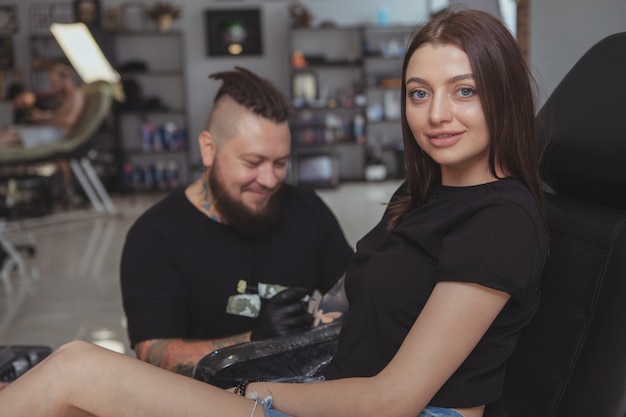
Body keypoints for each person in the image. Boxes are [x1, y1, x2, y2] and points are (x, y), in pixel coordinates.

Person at [0, 9, 549, 417]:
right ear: (209, 150)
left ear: (500, 94)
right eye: (419, 93)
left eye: (464, 90)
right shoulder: (424, 193)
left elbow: (393, 399)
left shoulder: (499, 220)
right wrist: (254, 351)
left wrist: (250, 394)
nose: (438, 115)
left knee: (74, 367)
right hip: (334, 389)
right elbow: (352, 311)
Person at [119, 66, 354, 376]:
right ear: (209, 149)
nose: (269, 180)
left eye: (280, 163)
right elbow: (153, 354)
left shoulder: (307, 210)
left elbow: (357, 293)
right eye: (253, 163)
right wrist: (255, 342)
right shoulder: (155, 236)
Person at [0, 63, 84, 148]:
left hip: (59, 134)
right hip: (51, 129)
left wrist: (42, 119)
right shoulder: (62, 98)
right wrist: (42, 116)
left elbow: (68, 121)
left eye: (54, 83)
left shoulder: (76, 96)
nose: (53, 87)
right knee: (8, 132)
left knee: (14, 136)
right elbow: (56, 116)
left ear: (64, 79)